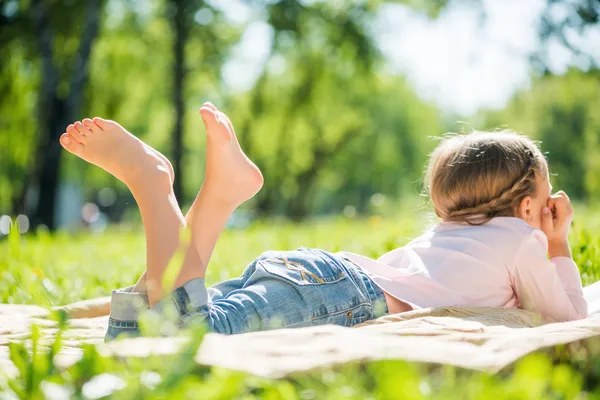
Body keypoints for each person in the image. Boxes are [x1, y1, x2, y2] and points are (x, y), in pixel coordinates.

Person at [58, 103, 587, 341]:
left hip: (321, 274)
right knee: (186, 328)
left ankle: (219, 197)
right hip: (340, 293)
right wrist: (556, 242)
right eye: (544, 200)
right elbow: (566, 314)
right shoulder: (523, 238)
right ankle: (152, 182)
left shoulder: (446, 237)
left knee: (146, 326)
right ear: (524, 207)